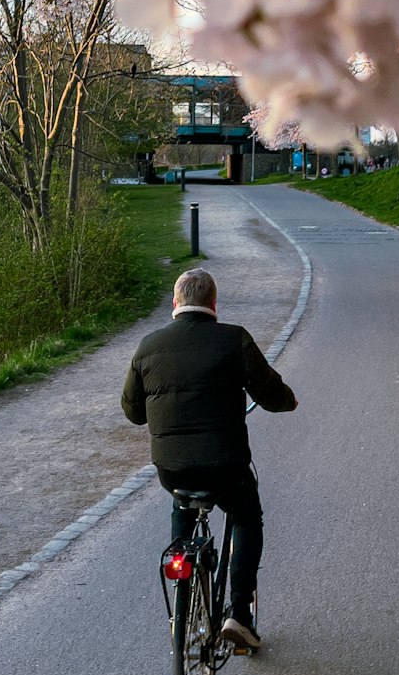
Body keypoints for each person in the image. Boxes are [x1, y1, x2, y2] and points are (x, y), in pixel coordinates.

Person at [121, 267, 298, 649]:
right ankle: (239, 615)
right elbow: (269, 393)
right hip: (227, 466)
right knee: (246, 517)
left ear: (175, 303)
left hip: (172, 468)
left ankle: (181, 600)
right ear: (214, 304)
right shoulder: (233, 340)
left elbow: (134, 413)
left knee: (182, 501)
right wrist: (289, 401)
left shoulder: (147, 347)